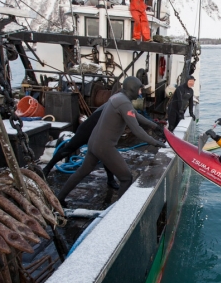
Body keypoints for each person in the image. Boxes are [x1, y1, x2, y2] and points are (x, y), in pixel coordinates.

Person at [57, 76, 166, 206]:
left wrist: (154, 126)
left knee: (82, 172)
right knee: (126, 178)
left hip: (93, 142)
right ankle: (119, 213)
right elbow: (136, 130)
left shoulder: (117, 97)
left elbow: (136, 115)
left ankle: (59, 198)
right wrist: (155, 142)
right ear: (132, 89)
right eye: (139, 90)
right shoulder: (124, 103)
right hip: (104, 147)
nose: (141, 93)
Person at [42, 98, 162, 189]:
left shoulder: (123, 102)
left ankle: (110, 180)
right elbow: (136, 121)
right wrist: (154, 139)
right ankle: (47, 168)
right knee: (69, 148)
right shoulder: (119, 102)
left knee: (105, 154)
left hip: (100, 134)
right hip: (88, 129)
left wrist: (154, 126)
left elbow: (136, 115)